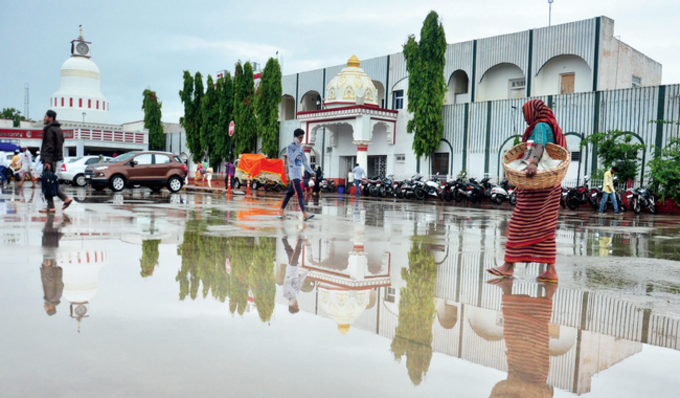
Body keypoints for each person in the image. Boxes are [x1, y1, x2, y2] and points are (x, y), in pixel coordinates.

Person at [486, 99, 566, 283]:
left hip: (537, 184)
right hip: (551, 185)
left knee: (518, 224)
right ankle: (551, 271)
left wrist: (533, 165)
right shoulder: (549, 126)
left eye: (525, 114)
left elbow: (538, 147)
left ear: (533, 112)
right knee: (545, 227)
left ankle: (508, 266)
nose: (524, 118)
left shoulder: (539, 126)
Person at [488, 278, 555, 398]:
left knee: (513, 326)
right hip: (535, 371)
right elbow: (547, 392)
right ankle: (549, 292)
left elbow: (498, 389)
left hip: (517, 362)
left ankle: (507, 290)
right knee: (535, 333)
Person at [278, 128, 316, 221]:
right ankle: (304, 213)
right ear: (295, 137)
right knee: (299, 194)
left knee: (289, 193)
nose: (301, 140)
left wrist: (311, 171)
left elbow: (304, 161)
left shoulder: (301, 148)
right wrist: (298, 147)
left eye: (302, 138)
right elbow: (291, 158)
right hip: (293, 173)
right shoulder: (290, 147)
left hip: (299, 174)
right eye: (299, 138)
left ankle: (281, 211)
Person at [40, 110, 73, 213]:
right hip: (56, 159)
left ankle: (60, 201)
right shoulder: (59, 130)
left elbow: (49, 146)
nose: (44, 118)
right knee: (50, 181)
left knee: (48, 181)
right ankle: (52, 205)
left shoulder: (50, 130)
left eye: (45, 116)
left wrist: (47, 161)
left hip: (50, 160)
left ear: (51, 118)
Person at [282, 236, 310, 314]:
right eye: (297, 304)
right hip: (295, 268)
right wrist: (307, 272)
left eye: (295, 305)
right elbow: (300, 280)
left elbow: (287, 285)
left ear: (290, 305)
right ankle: (283, 239)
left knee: (297, 252)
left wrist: (292, 297)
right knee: (290, 251)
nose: (296, 303)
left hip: (291, 269)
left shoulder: (286, 295)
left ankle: (300, 238)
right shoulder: (296, 293)